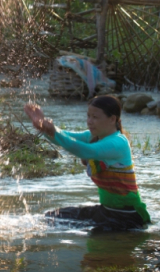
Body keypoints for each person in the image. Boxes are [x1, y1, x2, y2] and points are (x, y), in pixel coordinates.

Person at [24, 95, 150, 231]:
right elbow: (64, 136)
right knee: (51, 217)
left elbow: (86, 151)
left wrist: (53, 131)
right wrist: (43, 126)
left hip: (127, 216)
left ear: (112, 119)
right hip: (106, 210)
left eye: (95, 117)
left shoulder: (118, 142)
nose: (89, 121)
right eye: (88, 116)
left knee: (97, 246)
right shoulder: (92, 136)